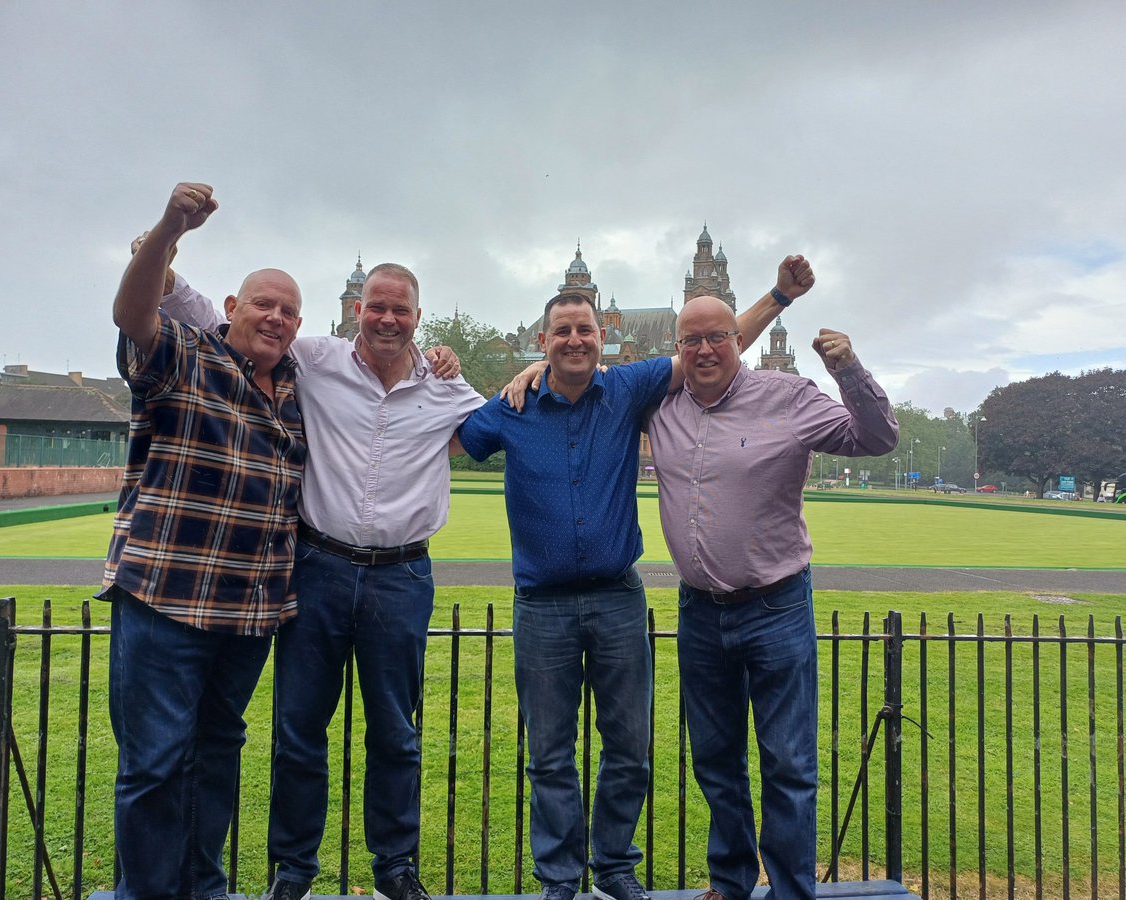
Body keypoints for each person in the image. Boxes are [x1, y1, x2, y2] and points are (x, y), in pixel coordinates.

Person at [455, 257, 814, 900]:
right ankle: (561, 876)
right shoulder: (511, 406)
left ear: (600, 335)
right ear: (542, 341)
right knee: (550, 754)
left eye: (584, 329)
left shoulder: (626, 387)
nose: (574, 339)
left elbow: (719, 348)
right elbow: (447, 433)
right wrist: (443, 368)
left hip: (617, 597)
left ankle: (615, 865)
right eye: (561, 331)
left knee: (629, 750)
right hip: (541, 604)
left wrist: (780, 296)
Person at [158, 249, 480, 900]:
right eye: (377, 306)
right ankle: (293, 869)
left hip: (401, 576)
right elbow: (232, 330)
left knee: (396, 732)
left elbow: (514, 422)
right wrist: (168, 280)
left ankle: (395, 867)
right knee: (299, 730)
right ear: (358, 310)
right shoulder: (317, 358)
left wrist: (531, 368)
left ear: (419, 318)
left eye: (401, 309)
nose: (387, 318)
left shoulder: (448, 388)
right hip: (318, 565)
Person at [646, 294, 899, 900]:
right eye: (691, 340)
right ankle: (730, 883)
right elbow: (579, 385)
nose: (705, 349)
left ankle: (790, 891)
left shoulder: (788, 397)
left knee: (787, 764)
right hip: (699, 608)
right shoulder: (659, 404)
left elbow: (878, 437)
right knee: (715, 759)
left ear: (741, 339)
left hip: (776, 606)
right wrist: (530, 369)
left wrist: (848, 369)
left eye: (719, 337)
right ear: (677, 349)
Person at [101, 182, 307, 899]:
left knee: (215, 758)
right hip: (165, 599)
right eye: (262, 304)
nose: (275, 318)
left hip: (249, 614)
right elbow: (134, 311)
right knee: (155, 765)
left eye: (288, 311)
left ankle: (203, 888)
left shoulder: (296, 391)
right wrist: (165, 231)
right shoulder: (185, 354)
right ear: (230, 309)